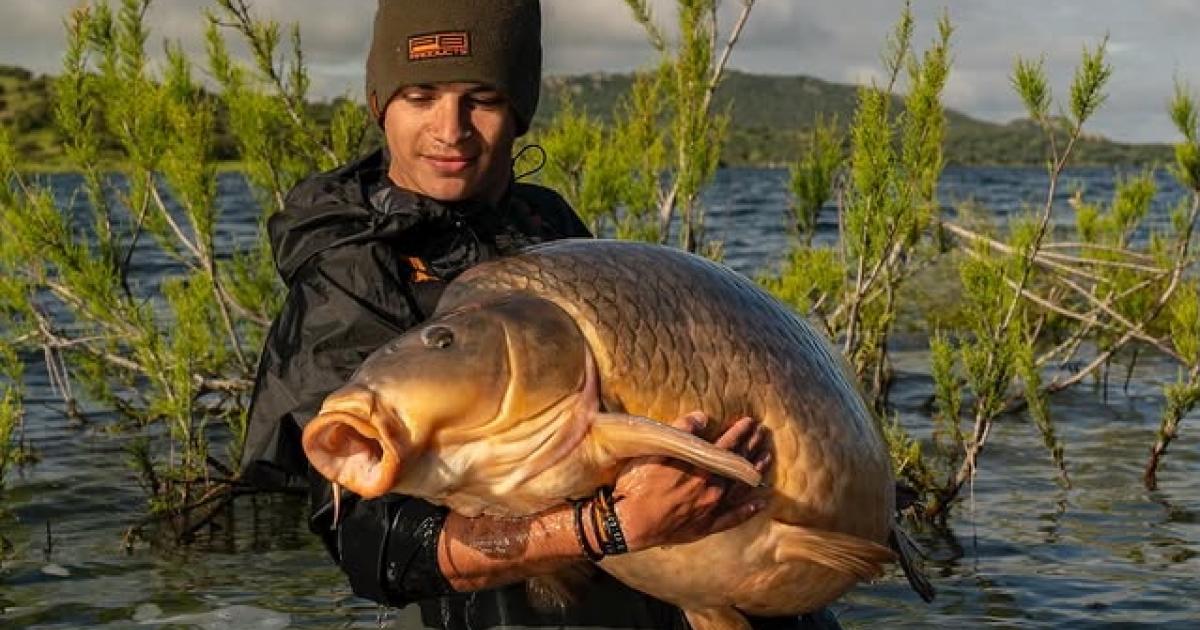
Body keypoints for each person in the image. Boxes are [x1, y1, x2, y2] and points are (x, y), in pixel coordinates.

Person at [240, 1, 841, 628]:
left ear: (519, 111)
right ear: (378, 104)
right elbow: (376, 546)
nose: (450, 129)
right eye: (420, 96)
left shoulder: (544, 224)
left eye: (482, 99)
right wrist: (609, 525)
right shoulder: (347, 273)